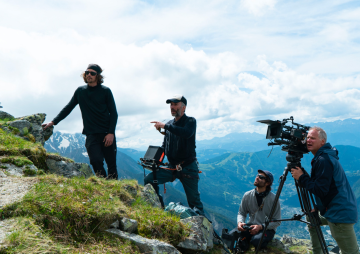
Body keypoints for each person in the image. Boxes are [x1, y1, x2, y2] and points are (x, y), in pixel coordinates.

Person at [42, 64, 118, 180]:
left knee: (111, 163)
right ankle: (104, 185)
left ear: (98, 76)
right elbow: (68, 107)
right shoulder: (80, 91)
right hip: (91, 133)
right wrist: (53, 122)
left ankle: (115, 189)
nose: (89, 75)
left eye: (92, 73)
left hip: (107, 133)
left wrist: (111, 133)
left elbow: (114, 113)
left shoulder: (105, 91)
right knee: (95, 161)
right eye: (87, 72)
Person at [291, 126, 359, 254]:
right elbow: (328, 187)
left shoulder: (323, 160)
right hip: (335, 208)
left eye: (313, 138)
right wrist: (318, 206)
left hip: (340, 214)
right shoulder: (324, 156)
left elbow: (321, 190)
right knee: (312, 218)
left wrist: (302, 178)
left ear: (322, 141)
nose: (308, 141)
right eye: (307, 138)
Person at [145, 95, 204, 214]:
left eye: (175, 104)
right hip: (172, 166)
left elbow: (186, 133)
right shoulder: (170, 124)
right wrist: (154, 160)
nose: (172, 107)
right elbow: (164, 145)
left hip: (188, 167)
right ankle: (159, 209)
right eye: (171, 105)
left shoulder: (190, 121)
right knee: (149, 180)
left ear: (183, 107)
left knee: (194, 203)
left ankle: (203, 228)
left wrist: (165, 126)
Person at [237, 170, 281, 251]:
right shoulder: (247, 195)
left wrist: (261, 227)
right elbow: (241, 213)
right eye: (257, 175)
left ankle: (250, 240)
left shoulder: (274, 199)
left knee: (257, 241)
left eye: (261, 177)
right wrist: (240, 222)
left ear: (267, 183)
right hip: (251, 226)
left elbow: (277, 221)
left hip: (267, 229)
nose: (257, 177)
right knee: (232, 235)